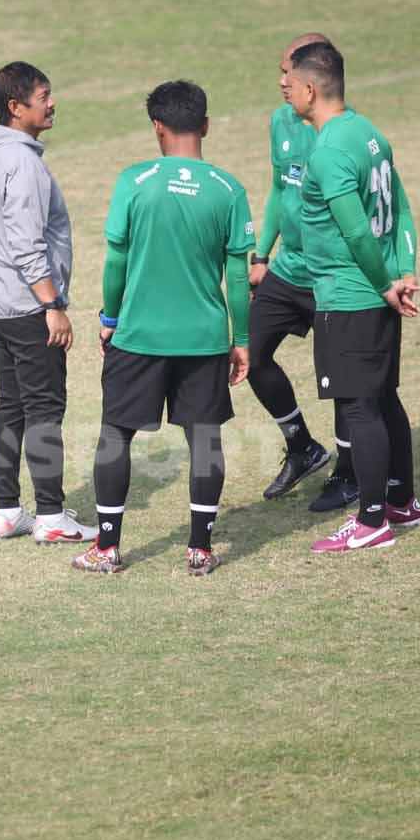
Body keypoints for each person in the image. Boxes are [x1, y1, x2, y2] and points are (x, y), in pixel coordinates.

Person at [71, 80, 253, 576]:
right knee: (205, 439)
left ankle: (106, 550)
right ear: (206, 126)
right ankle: (200, 549)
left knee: (115, 436)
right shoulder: (228, 189)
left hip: (140, 336)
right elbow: (237, 276)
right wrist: (241, 341)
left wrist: (110, 318)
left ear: (157, 128)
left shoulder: (134, 180)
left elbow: (116, 262)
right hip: (205, 338)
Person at [285, 40, 420, 553]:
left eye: (289, 81)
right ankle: (401, 502)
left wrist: (386, 284)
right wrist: (403, 270)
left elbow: (357, 233)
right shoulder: (369, 133)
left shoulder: (327, 152)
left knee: (358, 408)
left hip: (350, 296)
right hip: (376, 292)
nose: (283, 88)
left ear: (310, 88)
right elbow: (402, 209)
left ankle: (370, 522)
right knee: (383, 398)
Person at [0, 62, 97, 545]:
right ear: (16, 107)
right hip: (26, 305)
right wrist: (53, 303)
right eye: (43, 95)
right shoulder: (21, 163)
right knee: (44, 407)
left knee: (11, 406)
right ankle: (50, 516)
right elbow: (27, 243)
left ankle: (7, 511)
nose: (52, 102)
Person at [247, 32, 351, 508]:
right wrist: (262, 255)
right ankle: (302, 447)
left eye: (288, 71)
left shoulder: (337, 132)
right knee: (250, 353)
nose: (281, 81)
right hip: (287, 270)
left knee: (345, 383)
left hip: (331, 276)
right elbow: (277, 188)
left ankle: (351, 472)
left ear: (313, 78)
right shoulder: (280, 121)